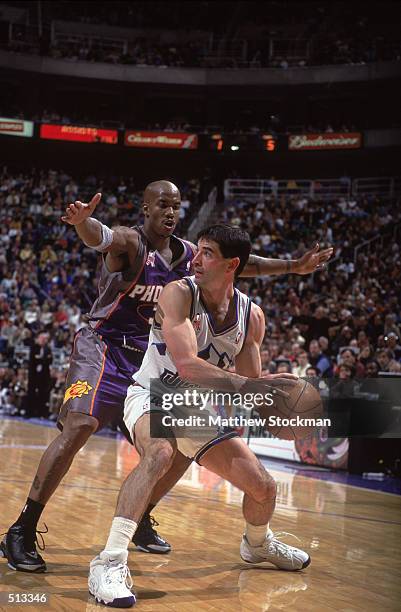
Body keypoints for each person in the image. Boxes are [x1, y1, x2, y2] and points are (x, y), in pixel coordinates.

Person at [1, 183, 332, 573]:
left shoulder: (192, 256)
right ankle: (21, 529)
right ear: (146, 209)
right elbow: (101, 237)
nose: (171, 212)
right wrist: (82, 222)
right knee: (80, 426)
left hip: (145, 355)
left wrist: (293, 266)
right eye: (163, 205)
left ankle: (140, 519)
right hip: (103, 346)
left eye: (176, 205)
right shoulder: (131, 243)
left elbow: (246, 263)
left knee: (176, 447)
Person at [88, 225, 310, 608]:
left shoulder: (251, 316)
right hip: (152, 394)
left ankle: (257, 545)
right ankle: (108, 562)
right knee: (159, 453)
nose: (194, 259)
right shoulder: (178, 293)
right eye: (198, 250)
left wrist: (284, 412)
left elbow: (250, 385)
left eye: (206, 252)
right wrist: (252, 387)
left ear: (232, 265)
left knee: (264, 488)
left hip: (192, 408)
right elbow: (188, 366)